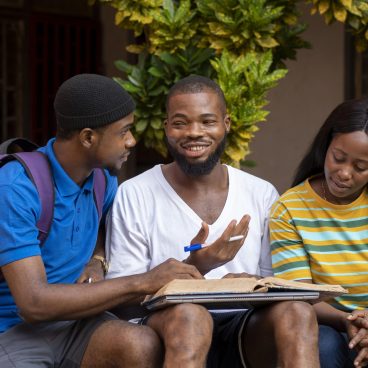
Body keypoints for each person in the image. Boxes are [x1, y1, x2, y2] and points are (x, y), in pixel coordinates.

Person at [106, 75, 321, 367]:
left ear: (226, 124)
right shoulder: (135, 193)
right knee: (190, 316)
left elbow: (275, 285)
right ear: (166, 127)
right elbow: (123, 300)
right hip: (172, 327)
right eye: (181, 123)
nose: (194, 132)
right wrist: (197, 267)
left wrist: (254, 283)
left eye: (208, 121)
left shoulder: (261, 193)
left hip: (244, 326)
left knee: (299, 312)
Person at [0, 73, 205, 368]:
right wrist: (142, 281)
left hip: (77, 323)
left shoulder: (101, 180)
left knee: (140, 344)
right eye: (123, 132)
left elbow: (103, 226)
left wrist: (98, 257)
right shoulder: (16, 188)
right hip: (14, 330)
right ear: (87, 137)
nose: (132, 141)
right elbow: (33, 303)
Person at [269, 98, 368, 368]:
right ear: (326, 146)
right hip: (327, 322)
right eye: (338, 158)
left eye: (361, 168)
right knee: (321, 344)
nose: (345, 173)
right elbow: (300, 294)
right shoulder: (289, 209)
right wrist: (352, 321)